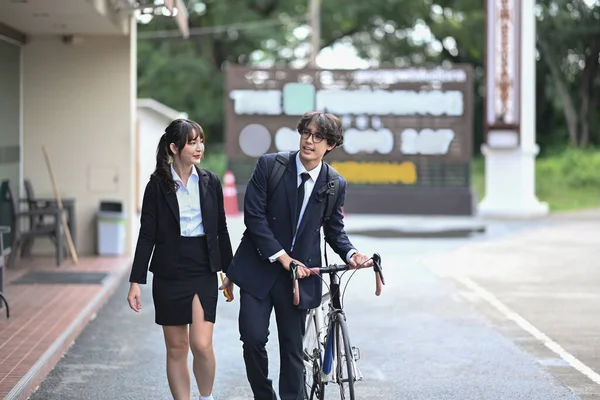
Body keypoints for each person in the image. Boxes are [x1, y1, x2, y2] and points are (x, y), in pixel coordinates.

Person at [222, 111, 372, 400]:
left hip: (299, 278)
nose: (309, 140)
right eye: (306, 132)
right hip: (258, 268)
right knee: (252, 339)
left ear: (330, 145)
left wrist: (352, 253)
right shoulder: (270, 166)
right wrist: (281, 257)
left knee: (292, 349)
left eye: (318, 137)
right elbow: (253, 217)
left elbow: (334, 231)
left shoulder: (335, 183)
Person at [127, 118, 234, 400]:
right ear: (174, 147)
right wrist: (136, 281)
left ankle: (205, 397)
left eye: (201, 141)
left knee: (201, 344)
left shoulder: (210, 182)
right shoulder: (157, 186)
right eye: (192, 142)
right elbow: (146, 234)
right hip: (168, 272)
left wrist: (230, 272)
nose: (199, 147)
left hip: (202, 268)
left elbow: (220, 228)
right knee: (176, 348)